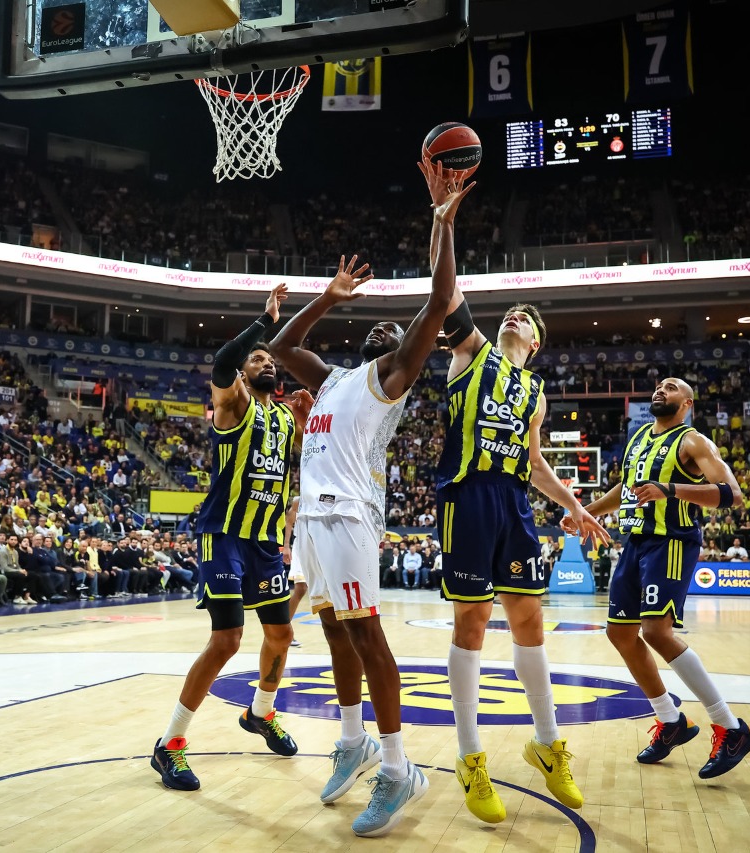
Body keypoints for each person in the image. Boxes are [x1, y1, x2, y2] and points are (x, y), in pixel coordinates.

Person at [267, 160, 470, 837]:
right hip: (313, 519)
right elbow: (280, 344)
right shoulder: (330, 379)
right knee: (332, 631)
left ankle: (398, 767)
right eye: (379, 327)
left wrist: (442, 223)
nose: (389, 330)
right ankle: (353, 741)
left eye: (398, 332)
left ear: (406, 354)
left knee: (367, 635)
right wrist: (328, 295)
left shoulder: (389, 379)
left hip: (350, 515)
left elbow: (438, 302)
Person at [434, 219, 610, 824]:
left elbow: (533, 463)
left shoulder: (535, 393)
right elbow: (446, 292)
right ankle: (470, 756)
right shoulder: (470, 353)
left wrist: (574, 504)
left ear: (535, 343)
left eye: (526, 319)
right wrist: (443, 222)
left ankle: (547, 744)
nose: (515, 317)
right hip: (467, 497)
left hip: (513, 502)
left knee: (529, 619)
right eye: (510, 313)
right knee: (473, 620)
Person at [150, 283, 310, 792]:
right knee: (227, 639)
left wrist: (308, 424)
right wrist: (265, 322)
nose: (267, 363)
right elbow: (222, 361)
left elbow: (297, 468)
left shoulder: (284, 418)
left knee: (281, 635)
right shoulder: (233, 402)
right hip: (223, 534)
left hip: (264, 542)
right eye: (258, 359)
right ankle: (170, 743)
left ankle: (261, 712)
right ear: (243, 373)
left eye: (271, 360)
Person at [572, 378, 750, 779]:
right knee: (620, 633)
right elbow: (627, 488)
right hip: (635, 542)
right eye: (659, 386)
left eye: (672, 387)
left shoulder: (693, 442)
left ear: (687, 403)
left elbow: (732, 494)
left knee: (656, 632)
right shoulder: (640, 437)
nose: (661, 389)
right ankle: (671, 720)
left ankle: (732, 727)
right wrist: (586, 513)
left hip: (671, 541)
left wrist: (671, 489)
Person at [281, 496, 308, 648]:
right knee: (301, 588)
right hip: (302, 545)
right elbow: (289, 522)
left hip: (322, 544)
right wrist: (286, 546)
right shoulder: (299, 500)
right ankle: (283, 630)